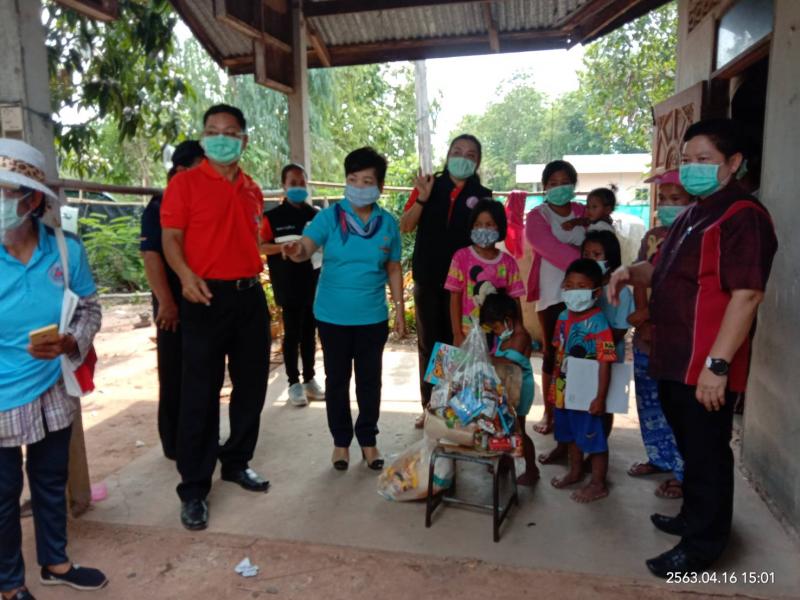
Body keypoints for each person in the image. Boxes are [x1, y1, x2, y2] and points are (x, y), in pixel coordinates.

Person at [608, 119, 778, 577]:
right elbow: (660, 270)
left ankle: (703, 546)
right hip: (674, 356)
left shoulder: (742, 216)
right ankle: (693, 517)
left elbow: (747, 295)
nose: (692, 168)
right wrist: (628, 272)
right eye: (687, 160)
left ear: (734, 162)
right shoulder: (693, 214)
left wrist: (717, 365)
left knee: (707, 452)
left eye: (704, 159)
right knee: (690, 445)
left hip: (705, 363)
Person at [0, 139, 107, 599]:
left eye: (7, 192)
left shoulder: (65, 250)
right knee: (3, 495)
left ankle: (56, 563)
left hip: (52, 388)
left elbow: (90, 308)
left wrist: (71, 341)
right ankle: (9, 584)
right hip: (2, 393)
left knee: (50, 480)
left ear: (32, 200)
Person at [161, 104, 271, 532]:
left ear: (244, 139)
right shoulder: (185, 184)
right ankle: (193, 488)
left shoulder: (252, 189)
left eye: (230, 131)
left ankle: (237, 461)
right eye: (212, 131)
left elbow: (250, 241)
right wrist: (185, 276)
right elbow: (171, 239)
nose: (221, 138)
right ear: (204, 137)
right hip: (203, 296)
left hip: (249, 296)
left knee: (252, 386)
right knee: (200, 394)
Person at [282, 147, 404, 472]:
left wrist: (400, 311)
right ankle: (340, 442)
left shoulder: (387, 223)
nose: (359, 186)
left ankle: (368, 440)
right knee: (337, 381)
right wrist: (295, 250)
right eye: (353, 179)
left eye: (367, 180)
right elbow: (306, 247)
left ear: (380, 186)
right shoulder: (329, 217)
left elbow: (393, 268)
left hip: (372, 317)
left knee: (369, 382)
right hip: (332, 317)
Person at [400, 134, 492, 427]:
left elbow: (489, 237)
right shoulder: (428, 185)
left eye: (470, 154)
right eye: (457, 151)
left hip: (466, 285)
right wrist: (422, 198)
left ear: (477, 161)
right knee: (430, 345)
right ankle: (431, 405)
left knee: (459, 344)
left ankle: (457, 405)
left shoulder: (484, 195)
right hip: (428, 277)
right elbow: (405, 226)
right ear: (448, 155)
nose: (463, 158)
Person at [626, 169, 692, 499]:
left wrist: (652, 316)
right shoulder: (652, 236)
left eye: (675, 199)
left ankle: (683, 472)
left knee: (678, 405)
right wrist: (643, 319)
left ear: (693, 200)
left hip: (678, 334)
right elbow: (640, 277)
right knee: (648, 399)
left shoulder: (695, 236)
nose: (667, 205)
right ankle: (659, 456)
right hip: (647, 333)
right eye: (663, 199)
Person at [140, 140, 205, 460]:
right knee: (175, 370)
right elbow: (151, 257)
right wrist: (166, 302)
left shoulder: (197, 205)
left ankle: (197, 436)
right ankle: (174, 443)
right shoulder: (159, 206)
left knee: (199, 370)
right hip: (173, 303)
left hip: (200, 299)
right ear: (181, 170)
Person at [525, 160, 586, 437]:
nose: (559, 188)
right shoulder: (538, 216)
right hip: (551, 293)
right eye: (553, 183)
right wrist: (586, 267)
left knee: (582, 352)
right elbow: (548, 247)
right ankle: (550, 413)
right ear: (544, 186)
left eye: (565, 183)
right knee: (553, 353)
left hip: (585, 293)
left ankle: (579, 410)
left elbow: (601, 238)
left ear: (573, 186)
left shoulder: (584, 212)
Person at [549, 259, 617, 503]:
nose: (573, 291)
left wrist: (600, 397)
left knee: (593, 439)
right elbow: (558, 351)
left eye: (581, 286)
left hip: (588, 395)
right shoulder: (562, 316)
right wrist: (555, 390)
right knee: (570, 436)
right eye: (569, 285)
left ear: (596, 293)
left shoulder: (599, 323)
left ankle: (598, 483)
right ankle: (575, 472)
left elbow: (605, 361)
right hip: (564, 390)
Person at [259, 163, 324, 407]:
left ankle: (309, 379)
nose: (298, 187)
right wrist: (281, 248)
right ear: (284, 186)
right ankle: (293, 383)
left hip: (313, 283)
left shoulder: (316, 215)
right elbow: (260, 246)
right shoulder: (272, 217)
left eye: (302, 183)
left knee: (309, 333)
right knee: (292, 334)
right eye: (293, 183)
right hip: (287, 284)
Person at [444, 198, 525, 346]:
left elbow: (515, 299)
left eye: (489, 224)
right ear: (471, 227)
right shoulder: (461, 257)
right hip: (468, 334)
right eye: (478, 224)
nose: (483, 229)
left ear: (500, 227)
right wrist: (457, 333)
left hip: (501, 337)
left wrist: (519, 330)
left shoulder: (508, 262)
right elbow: (455, 296)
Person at [479, 292, 539, 486]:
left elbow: (509, 363)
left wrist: (485, 358)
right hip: (507, 386)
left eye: (496, 327)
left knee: (518, 428)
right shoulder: (505, 336)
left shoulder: (521, 337)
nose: (496, 332)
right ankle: (505, 460)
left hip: (521, 388)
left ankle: (532, 469)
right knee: (504, 426)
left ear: (508, 320)